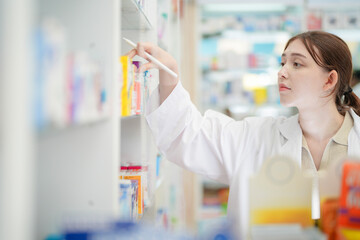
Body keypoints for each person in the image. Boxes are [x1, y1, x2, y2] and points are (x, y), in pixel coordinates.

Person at [127, 31, 360, 239]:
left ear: (329, 80)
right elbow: (189, 135)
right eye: (282, 63)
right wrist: (171, 73)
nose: (282, 72)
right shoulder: (256, 137)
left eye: (297, 64)